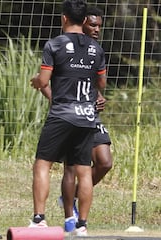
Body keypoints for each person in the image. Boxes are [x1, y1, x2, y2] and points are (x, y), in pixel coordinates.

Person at [29, 0, 107, 237]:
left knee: (43, 164)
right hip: (87, 116)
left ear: (64, 18)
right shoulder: (97, 49)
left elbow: (43, 81)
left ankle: (39, 219)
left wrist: (36, 81)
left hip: (62, 113)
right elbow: (101, 84)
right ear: (84, 21)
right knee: (84, 170)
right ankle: (82, 225)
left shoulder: (54, 44)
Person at [59, 6, 113, 231]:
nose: (97, 29)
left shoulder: (95, 49)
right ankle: (70, 216)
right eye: (93, 25)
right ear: (81, 23)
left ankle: (76, 193)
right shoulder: (64, 45)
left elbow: (95, 82)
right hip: (70, 114)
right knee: (71, 167)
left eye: (100, 26)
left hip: (91, 114)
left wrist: (99, 97)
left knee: (105, 162)